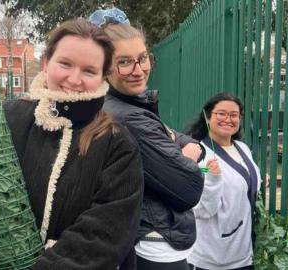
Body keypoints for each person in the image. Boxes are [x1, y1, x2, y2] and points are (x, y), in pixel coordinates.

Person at [0, 18, 143, 270]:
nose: (74, 80)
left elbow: (105, 233)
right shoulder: (6, 120)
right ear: (46, 63)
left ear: (102, 77)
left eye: (89, 70)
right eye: (65, 64)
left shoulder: (116, 144)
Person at [90, 8, 205, 270]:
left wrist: (176, 141)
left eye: (143, 58)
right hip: (155, 241)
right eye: (125, 62)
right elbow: (188, 187)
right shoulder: (129, 117)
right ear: (106, 67)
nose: (139, 70)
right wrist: (184, 154)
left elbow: (181, 137)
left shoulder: (123, 105)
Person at [185, 93, 261, 270]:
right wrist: (213, 179)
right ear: (207, 116)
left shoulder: (242, 148)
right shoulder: (199, 154)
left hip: (243, 253)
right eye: (221, 113)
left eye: (234, 115)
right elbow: (202, 209)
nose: (228, 119)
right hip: (212, 257)